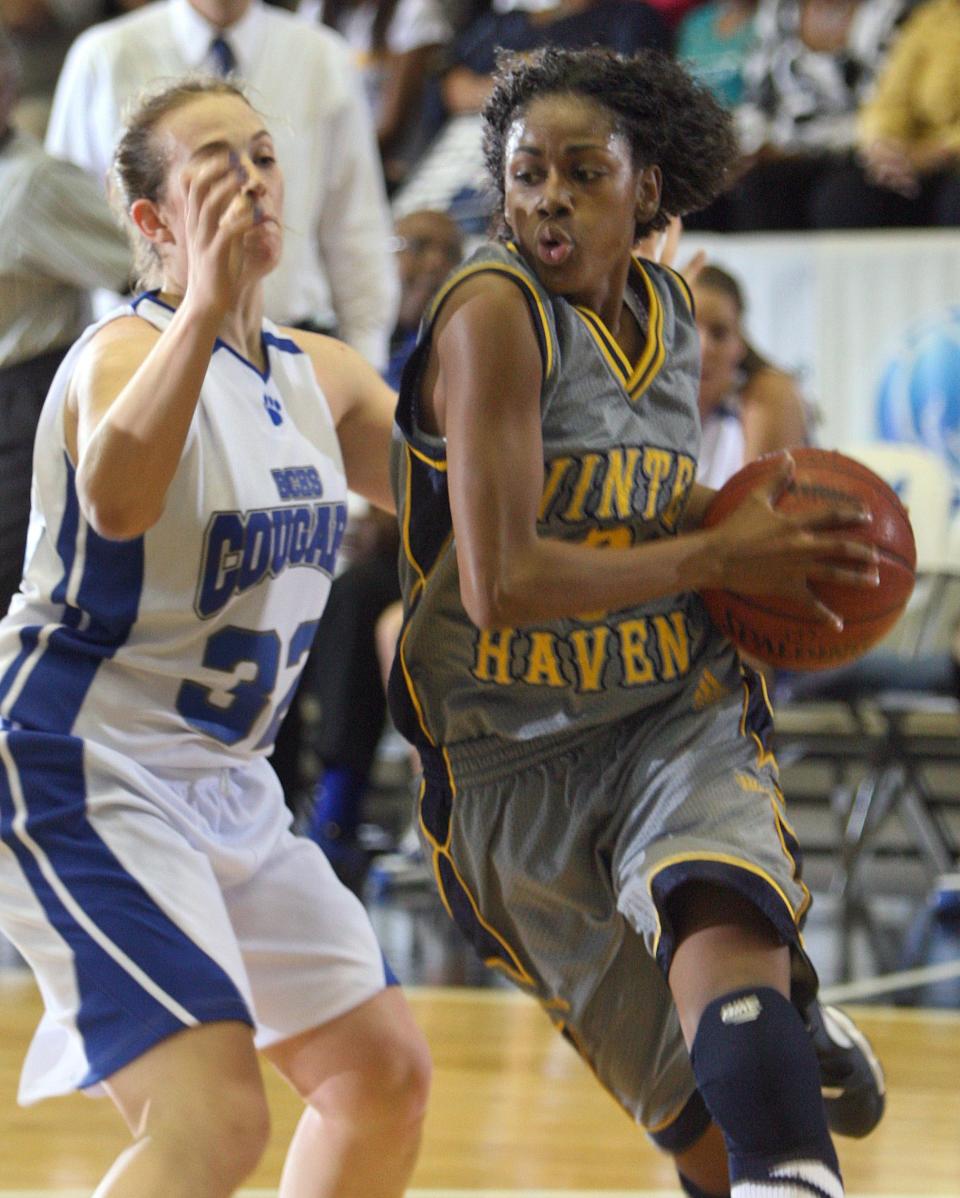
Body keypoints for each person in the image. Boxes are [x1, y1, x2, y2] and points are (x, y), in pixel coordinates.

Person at [389, 44, 884, 1197]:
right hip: (512, 762)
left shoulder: (667, 308)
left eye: (584, 171)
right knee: (697, 1142)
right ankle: (784, 1016)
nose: (548, 195)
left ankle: (794, 1150)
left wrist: (764, 561)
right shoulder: (492, 313)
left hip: (668, 703)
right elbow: (499, 582)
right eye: (525, 175)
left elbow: (652, 508)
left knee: (709, 885)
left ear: (647, 189)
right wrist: (719, 551)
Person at [0, 76, 430, 1198]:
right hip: (79, 766)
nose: (251, 179)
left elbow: (474, 503)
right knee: (212, 1121)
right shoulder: (118, 356)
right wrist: (201, 305)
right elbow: (121, 503)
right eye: (213, 165)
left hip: (228, 787)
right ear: (151, 222)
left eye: (263, 154)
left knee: (380, 1075)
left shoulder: (319, 375)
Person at [44, 0, 398, 369]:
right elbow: (65, 229)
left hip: (290, 344)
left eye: (263, 159)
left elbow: (356, 226)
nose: (251, 181)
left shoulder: (321, 56)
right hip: (150, 355)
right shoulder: (103, 57)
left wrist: (367, 356)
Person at [0, 28, 131, 618]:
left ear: (7, 86)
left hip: (21, 414)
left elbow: (149, 269)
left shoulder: (33, 185)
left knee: (15, 612)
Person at [297, 0, 453, 190]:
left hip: (398, 165)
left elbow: (392, 125)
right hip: (334, 159)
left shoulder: (412, 8)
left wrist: (329, 164)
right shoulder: (317, 9)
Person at [690, 264, 810, 488]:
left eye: (719, 333)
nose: (703, 347)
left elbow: (762, 518)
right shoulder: (647, 411)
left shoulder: (770, 396)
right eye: (688, 328)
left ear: (740, 346)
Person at [854, 0, 960, 226]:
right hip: (920, 155)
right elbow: (891, 98)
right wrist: (885, 144)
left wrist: (943, 151)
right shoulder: (934, 16)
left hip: (944, 154)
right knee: (848, 198)